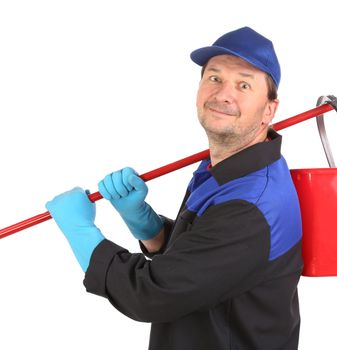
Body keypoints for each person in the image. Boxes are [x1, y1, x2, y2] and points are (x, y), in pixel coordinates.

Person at [45, 26, 303, 350]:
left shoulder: (251, 206)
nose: (224, 93)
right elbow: (204, 258)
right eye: (214, 77)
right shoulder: (226, 169)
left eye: (244, 84)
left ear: (269, 109)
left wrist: (81, 229)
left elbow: (152, 294)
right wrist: (148, 226)